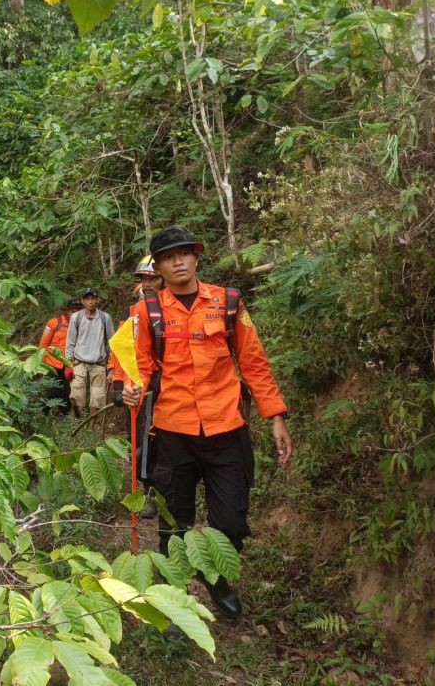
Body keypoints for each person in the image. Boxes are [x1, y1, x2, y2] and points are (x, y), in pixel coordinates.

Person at [122, 225, 293, 620]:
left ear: (197, 257)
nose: (178, 261)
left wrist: (276, 416)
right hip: (172, 433)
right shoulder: (146, 312)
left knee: (231, 523)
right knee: (174, 527)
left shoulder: (229, 303)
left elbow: (253, 362)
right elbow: (139, 364)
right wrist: (131, 387)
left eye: (184, 253)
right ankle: (173, 601)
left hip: (226, 431)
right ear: (158, 267)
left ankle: (216, 578)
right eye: (168, 257)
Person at [110, 255, 164, 518]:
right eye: (143, 279)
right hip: (142, 389)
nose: (147, 284)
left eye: (152, 278)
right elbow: (122, 351)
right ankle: (149, 493)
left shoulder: (177, 310)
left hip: (171, 387)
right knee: (142, 442)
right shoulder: (132, 315)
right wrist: (119, 383)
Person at [65, 288, 115, 425]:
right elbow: (70, 342)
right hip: (79, 362)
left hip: (98, 363)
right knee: (76, 396)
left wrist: (111, 368)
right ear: (83, 301)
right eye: (87, 299)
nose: (91, 302)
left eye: (93, 298)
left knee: (98, 398)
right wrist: (68, 364)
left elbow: (112, 343)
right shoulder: (76, 317)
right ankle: (78, 423)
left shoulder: (105, 318)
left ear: (98, 300)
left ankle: (93, 427)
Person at [38, 298, 82, 413]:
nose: (75, 315)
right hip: (52, 366)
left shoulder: (81, 326)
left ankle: (65, 420)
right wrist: (40, 364)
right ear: (66, 311)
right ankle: (43, 418)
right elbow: (43, 345)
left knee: (66, 395)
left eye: (78, 312)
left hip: (69, 366)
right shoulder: (53, 323)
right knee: (50, 393)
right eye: (73, 311)